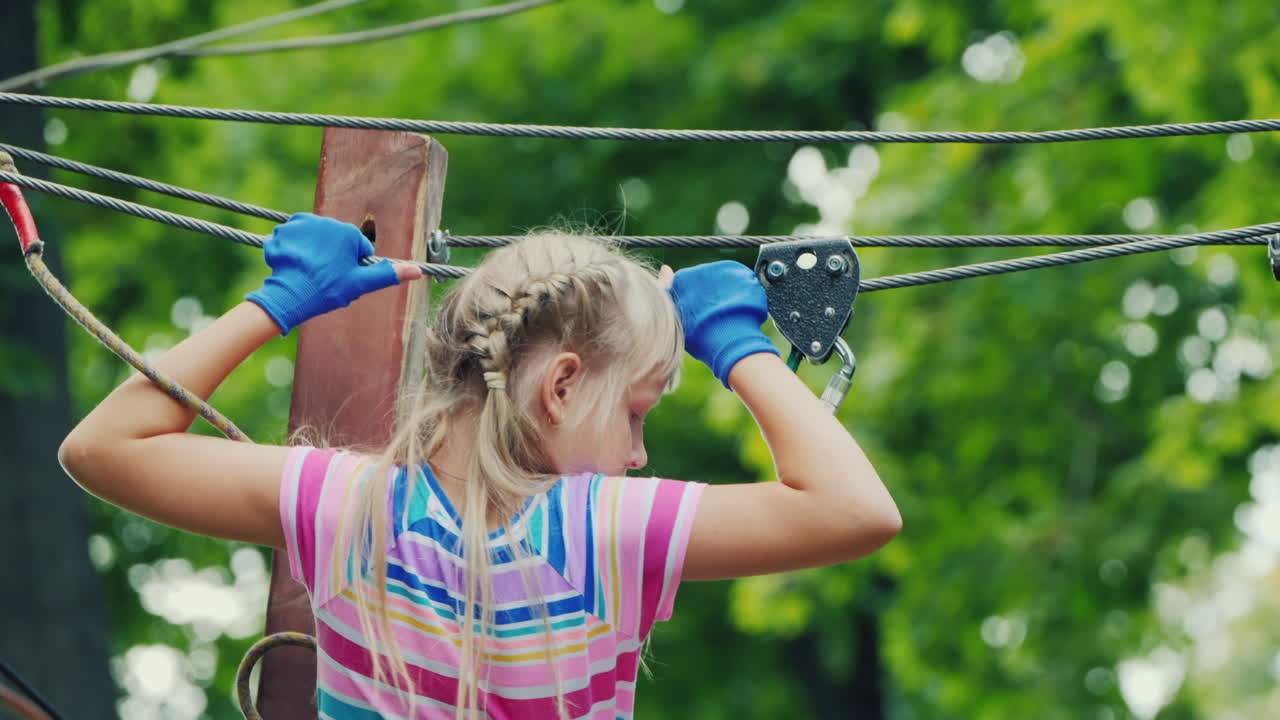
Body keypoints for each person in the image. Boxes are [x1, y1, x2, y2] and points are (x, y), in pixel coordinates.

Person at [58, 213, 901, 719]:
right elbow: (858, 510)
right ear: (563, 387)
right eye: (637, 413)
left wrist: (272, 305)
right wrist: (737, 345)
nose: (640, 454)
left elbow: (101, 449)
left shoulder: (344, 506)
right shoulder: (601, 527)